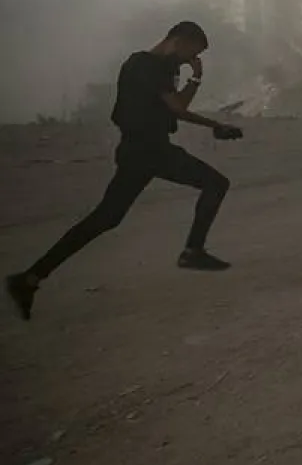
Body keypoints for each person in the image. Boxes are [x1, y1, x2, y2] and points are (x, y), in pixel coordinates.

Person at [5, 21, 243, 321]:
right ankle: (193, 251)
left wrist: (204, 101)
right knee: (215, 184)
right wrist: (204, 98)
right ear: (178, 40)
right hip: (147, 150)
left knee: (106, 218)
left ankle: (29, 279)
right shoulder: (144, 64)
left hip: (143, 151)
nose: (188, 61)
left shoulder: (160, 68)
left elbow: (176, 106)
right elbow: (177, 109)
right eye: (189, 54)